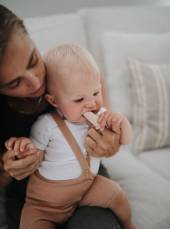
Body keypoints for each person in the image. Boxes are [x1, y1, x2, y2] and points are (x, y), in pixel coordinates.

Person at [0, 4, 123, 229]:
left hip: (87, 182)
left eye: (33, 61)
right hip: (31, 199)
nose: (36, 82)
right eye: (14, 83)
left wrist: (110, 143)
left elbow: (101, 102)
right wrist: (5, 170)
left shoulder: (64, 66)